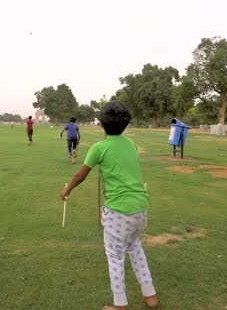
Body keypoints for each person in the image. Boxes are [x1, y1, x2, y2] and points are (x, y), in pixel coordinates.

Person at [59, 101, 158, 310]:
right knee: (135, 248)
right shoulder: (130, 144)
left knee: (115, 256)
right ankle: (150, 296)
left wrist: (66, 190)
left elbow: (80, 175)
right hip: (140, 207)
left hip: (118, 211)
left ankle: (119, 305)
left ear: (102, 124)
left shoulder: (99, 148)